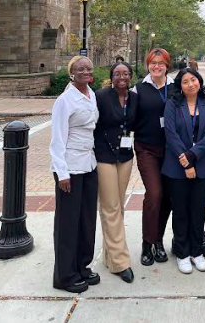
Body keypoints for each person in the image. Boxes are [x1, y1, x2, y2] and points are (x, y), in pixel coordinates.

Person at [50, 56, 100, 293]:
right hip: (70, 168)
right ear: (71, 73)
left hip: (89, 164)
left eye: (88, 68)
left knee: (86, 220)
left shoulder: (92, 95)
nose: (85, 71)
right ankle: (64, 275)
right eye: (80, 68)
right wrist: (62, 174)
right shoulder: (64, 100)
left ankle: (81, 266)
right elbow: (57, 141)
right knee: (67, 223)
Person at [162, 68, 205, 274]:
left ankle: (197, 251)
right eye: (185, 82)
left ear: (199, 81)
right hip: (177, 167)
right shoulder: (172, 104)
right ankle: (182, 252)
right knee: (181, 211)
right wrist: (186, 163)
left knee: (197, 210)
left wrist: (193, 156)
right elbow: (170, 134)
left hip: (201, 165)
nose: (190, 84)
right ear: (180, 86)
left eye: (193, 79)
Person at [94, 62, 137, 284]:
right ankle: (120, 262)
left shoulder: (134, 98)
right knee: (110, 207)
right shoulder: (100, 96)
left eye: (126, 73)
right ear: (112, 77)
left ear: (130, 76)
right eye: (117, 73)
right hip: (104, 157)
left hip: (125, 157)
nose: (122, 76)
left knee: (118, 206)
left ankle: (110, 254)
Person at [133, 48, 174, 266]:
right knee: (154, 193)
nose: (156, 66)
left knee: (167, 196)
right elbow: (126, 115)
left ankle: (158, 240)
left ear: (167, 65)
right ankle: (147, 243)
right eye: (152, 62)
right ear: (148, 64)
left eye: (161, 63)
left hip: (170, 150)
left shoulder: (175, 88)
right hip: (146, 148)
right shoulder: (139, 88)